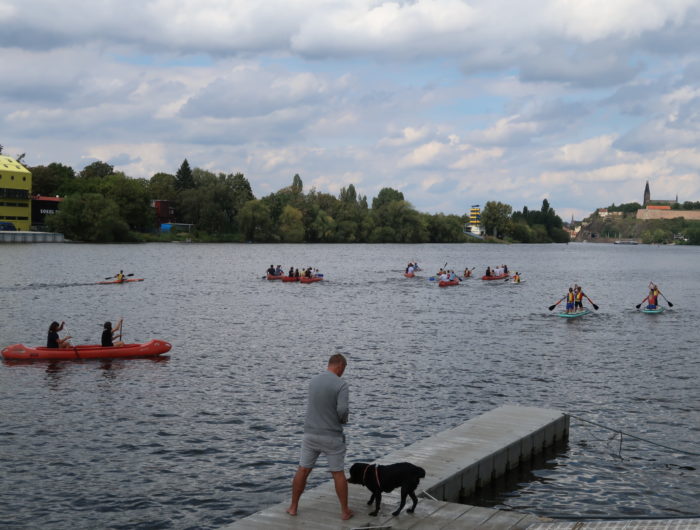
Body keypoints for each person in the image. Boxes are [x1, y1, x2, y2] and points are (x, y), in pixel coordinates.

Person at [287, 354, 353, 521]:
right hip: (331, 436)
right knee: (338, 473)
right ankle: (345, 512)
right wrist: (342, 420)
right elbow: (342, 410)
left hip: (310, 435)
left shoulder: (313, 381)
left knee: (303, 470)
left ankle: (293, 507)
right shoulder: (341, 385)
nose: (342, 373)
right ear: (339, 366)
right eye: (343, 369)